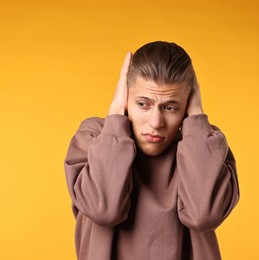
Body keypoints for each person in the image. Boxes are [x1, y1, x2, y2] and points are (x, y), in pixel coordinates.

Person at [64, 41, 239, 260]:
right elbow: (104, 210)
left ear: (187, 105)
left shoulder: (204, 144)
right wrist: (116, 114)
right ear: (126, 96)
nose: (156, 122)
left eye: (170, 107)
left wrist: (196, 117)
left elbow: (205, 216)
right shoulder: (95, 137)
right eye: (143, 104)